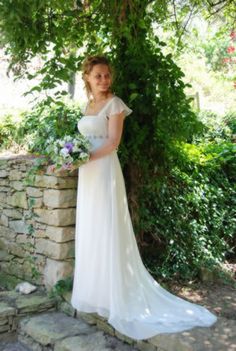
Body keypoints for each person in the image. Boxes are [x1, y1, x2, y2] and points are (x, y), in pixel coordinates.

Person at [70, 55, 217, 340]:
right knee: (92, 228)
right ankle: (97, 293)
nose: (104, 80)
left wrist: (81, 157)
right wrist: (70, 157)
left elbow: (113, 143)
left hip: (102, 170)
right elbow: (85, 138)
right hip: (87, 174)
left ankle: (117, 296)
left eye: (107, 75)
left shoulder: (115, 104)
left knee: (107, 227)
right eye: (98, 75)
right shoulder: (89, 105)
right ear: (87, 77)